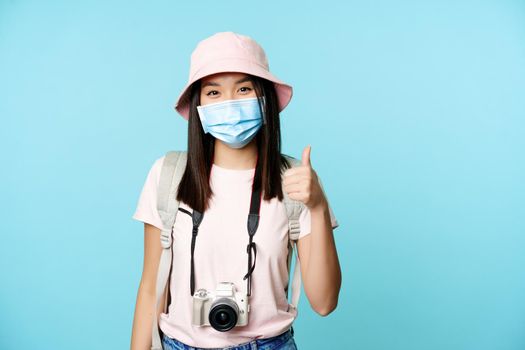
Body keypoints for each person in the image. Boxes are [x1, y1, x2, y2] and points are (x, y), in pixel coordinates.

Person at [130, 31, 341, 350]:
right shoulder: (169, 175)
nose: (229, 103)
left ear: (265, 98)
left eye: (243, 88)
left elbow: (324, 303)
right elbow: (150, 289)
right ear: (198, 105)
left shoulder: (297, 181)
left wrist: (319, 207)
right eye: (213, 92)